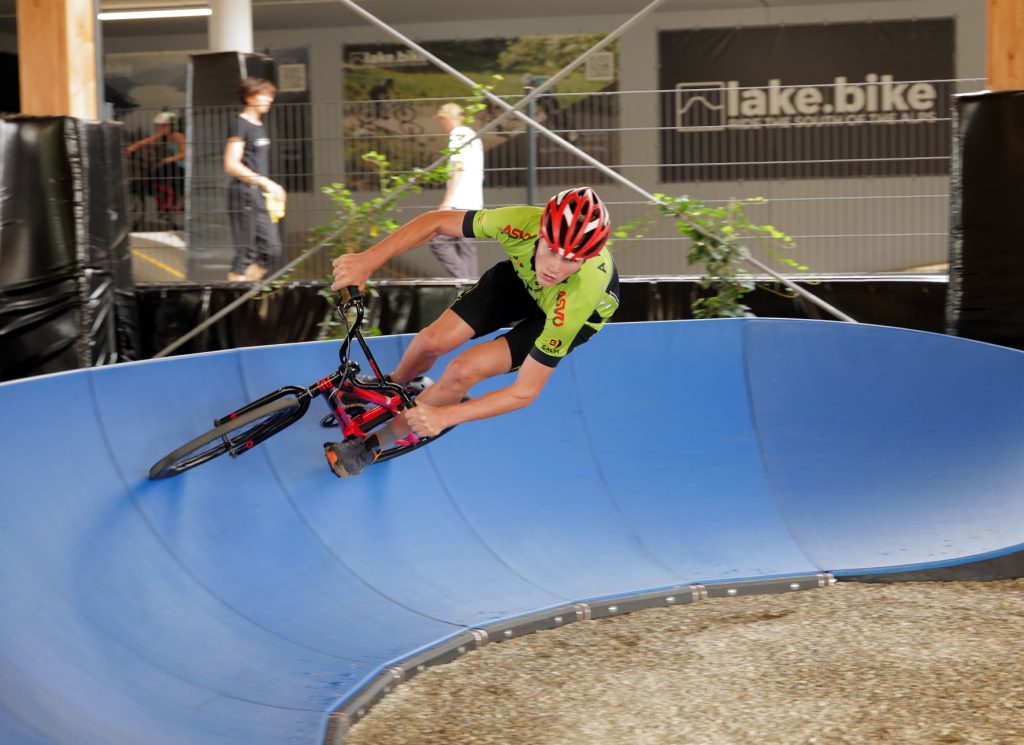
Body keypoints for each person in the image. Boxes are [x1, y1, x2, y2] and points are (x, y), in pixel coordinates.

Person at [324, 186, 619, 478]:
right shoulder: (520, 222)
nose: (554, 267)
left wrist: (444, 416)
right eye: (551, 250)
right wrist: (369, 259)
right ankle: (394, 383)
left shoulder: (577, 300)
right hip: (522, 279)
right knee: (431, 341)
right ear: (539, 233)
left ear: (585, 259)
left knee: (462, 371)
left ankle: (371, 445)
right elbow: (435, 222)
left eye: (571, 260)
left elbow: (524, 391)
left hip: (564, 309)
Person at [223, 77, 286, 282]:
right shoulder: (239, 124)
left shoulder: (258, 125)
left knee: (271, 249)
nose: (269, 99)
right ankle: (236, 295)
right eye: (264, 95)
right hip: (244, 192)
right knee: (246, 253)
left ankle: (248, 290)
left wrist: (268, 188)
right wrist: (266, 182)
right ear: (249, 97)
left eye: (271, 96)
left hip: (259, 194)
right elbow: (231, 164)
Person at [429, 102, 484, 278]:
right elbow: (481, 174)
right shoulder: (474, 136)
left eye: (441, 121)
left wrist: (446, 202)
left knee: (437, 240)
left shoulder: (457, 135)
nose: (442, 125)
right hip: (474, 202)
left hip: (459, 202)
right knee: (467, 248)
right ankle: (472, 285)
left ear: (446, 118)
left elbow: (458, 168)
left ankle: (465, 280)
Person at [126, 110, 186, 215]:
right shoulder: (161, 136)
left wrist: (169, 159)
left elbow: (184, 154)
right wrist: (133, 147)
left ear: (172, 126)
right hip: (173, 165)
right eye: (160, 126)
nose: (161, 128)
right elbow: (147, 141)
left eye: (165, 126)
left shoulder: (178, 136)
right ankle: (165, 198)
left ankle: (177, 200)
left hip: (182, 166)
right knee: (153, 173)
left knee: (161, 171)